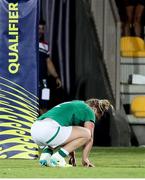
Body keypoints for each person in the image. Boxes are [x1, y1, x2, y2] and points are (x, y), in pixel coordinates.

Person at [31, 99, 113, 167]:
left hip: (35, 129)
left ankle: (45, 158)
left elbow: (68, 137)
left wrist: (72, 156)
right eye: (97, 115)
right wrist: (85, 159)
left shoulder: (75, 105)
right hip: (48, 130)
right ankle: (58, 158)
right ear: (95, 108)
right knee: (87, 134)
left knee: (58, 136)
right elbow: (90, 138)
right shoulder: (89, 110)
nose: (95, 118)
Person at [39, 19, 62, 115]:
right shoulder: (27, 43)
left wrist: (56, 76)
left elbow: (48, 62)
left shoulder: (45, 46)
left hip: (43, 80)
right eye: (38, 28)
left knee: (44, 104)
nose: (40, 30)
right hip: (30, 80)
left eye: (42, 28)